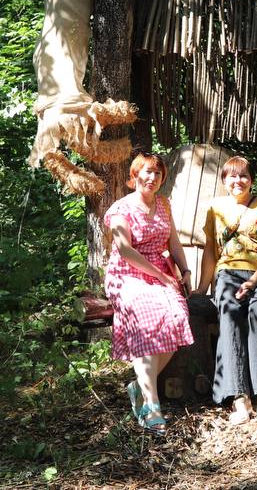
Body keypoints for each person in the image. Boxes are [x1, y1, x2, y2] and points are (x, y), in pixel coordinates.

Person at [104, 152, 195, 434]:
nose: (152, 178)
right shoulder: (121, 209)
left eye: (158, 174)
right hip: (127, 275)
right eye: (147, 172)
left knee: (177, 315)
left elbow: (174, 241)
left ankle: (140, 387)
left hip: (161, 272)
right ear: (135, 176)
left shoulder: (163, 204)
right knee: (145, 315)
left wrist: (185, 270)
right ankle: (152, 405)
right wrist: (161, 276)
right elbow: (125, 250)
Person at [196, 156, 257, 424]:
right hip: (228, 273)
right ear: (223, 181)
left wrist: (254, 280)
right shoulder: (215, 208)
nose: (238, 181)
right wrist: (201, 289)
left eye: (243, 175)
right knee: (230, 314)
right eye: (232, 176)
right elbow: (211, 251)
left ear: (252, 180)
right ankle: (239, 396)